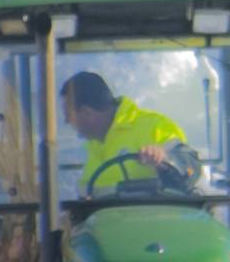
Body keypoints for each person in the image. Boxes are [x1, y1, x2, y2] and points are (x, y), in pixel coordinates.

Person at [63, 69, 201, 197]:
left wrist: (164, 160)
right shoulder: (92, 148)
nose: (67, 122)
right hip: (108, 216)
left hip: (160, 214)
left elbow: (189, 169)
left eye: (69, 116)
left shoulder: (154, 126)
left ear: (86, 113)